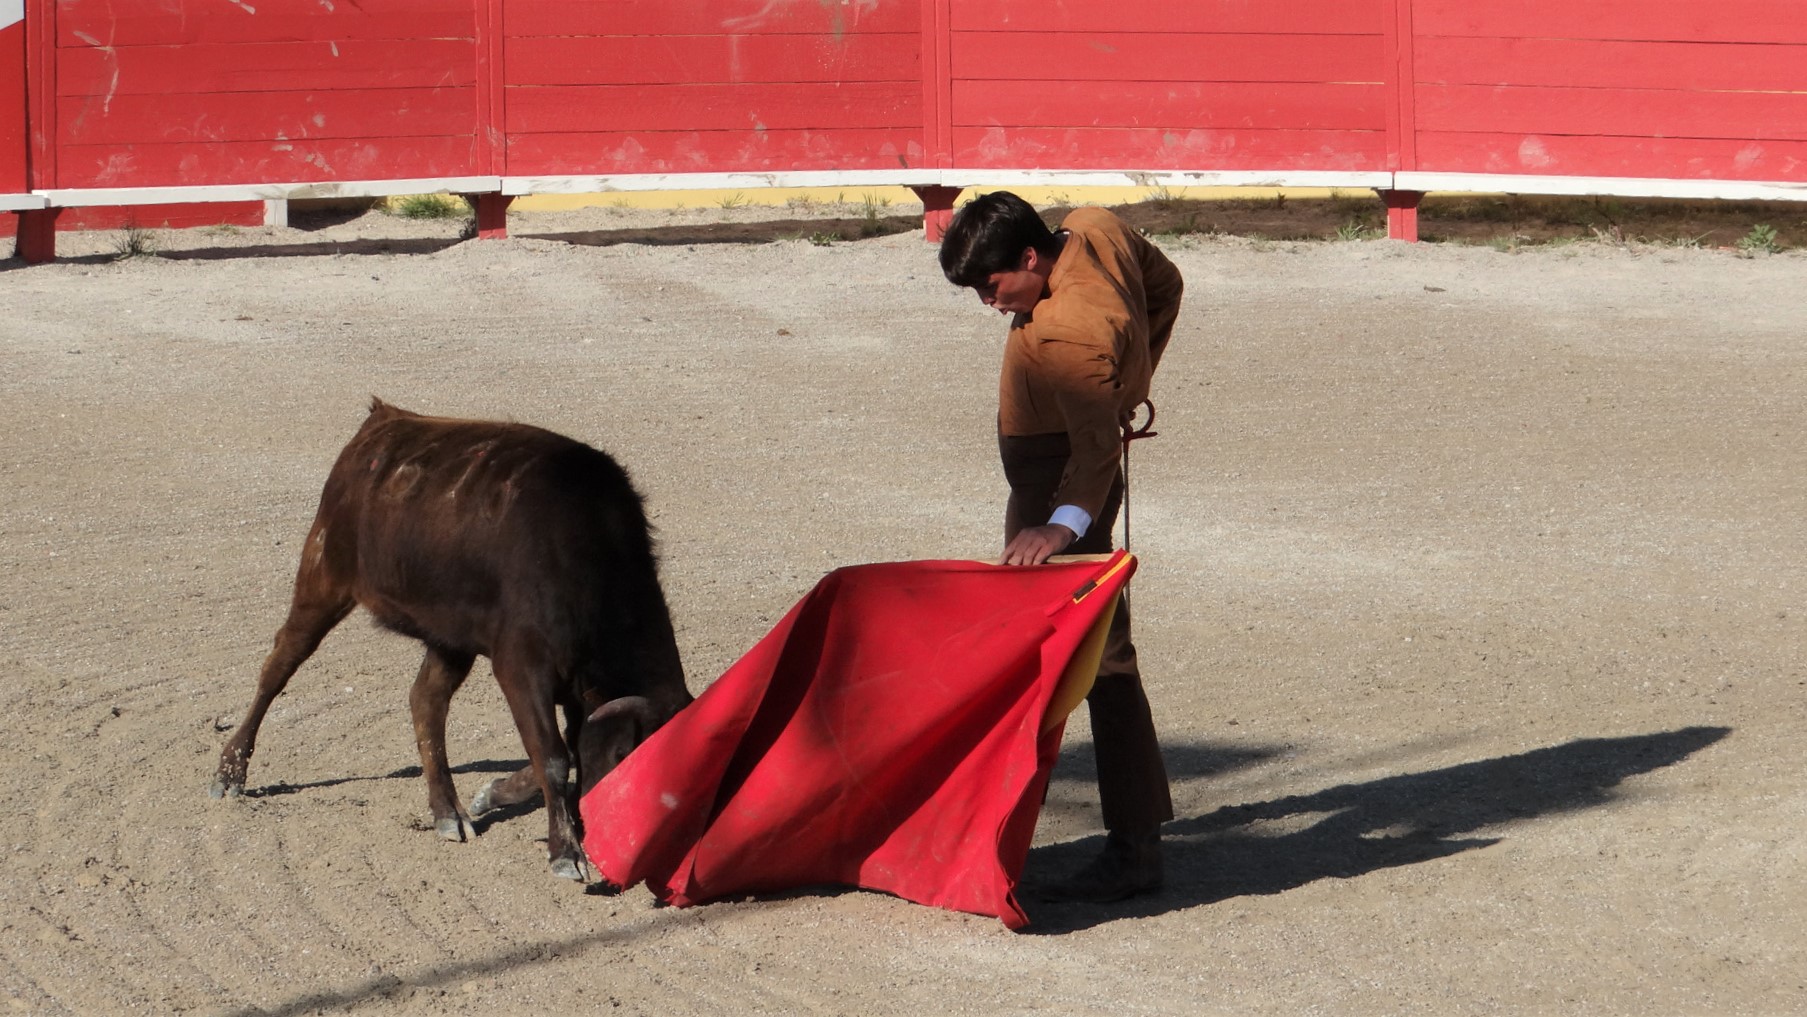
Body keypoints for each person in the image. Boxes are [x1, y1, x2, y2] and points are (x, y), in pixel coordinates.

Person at [938, 190, 1182, 903]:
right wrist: (1133, 372)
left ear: (1028, 255)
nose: (990, 303)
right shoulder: (1092, 226)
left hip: (1059, 479)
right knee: (1074, 650)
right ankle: (1100, 833)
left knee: (1093, 656)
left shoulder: (1070, 331)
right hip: (1058, 466)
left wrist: (1061, 524)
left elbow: (1096, 445)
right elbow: (1167, 282)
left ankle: (1128, 848)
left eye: (993, 286)